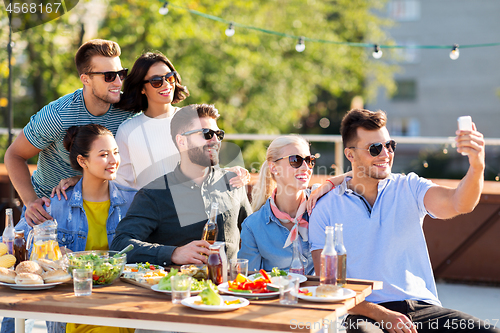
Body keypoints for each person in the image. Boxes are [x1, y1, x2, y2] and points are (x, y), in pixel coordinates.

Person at [309, 109, 498, 333]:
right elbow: (328, 286)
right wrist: (381, 314)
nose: (385, 154)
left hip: (423, 310)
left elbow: (459, 203)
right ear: (350, 155)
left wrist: (477, 167)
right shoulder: (326, 207)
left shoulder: (410, 187)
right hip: (365, 313)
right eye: (375, 148)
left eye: (390, 145)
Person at [12, 124, 137, 333]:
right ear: (82, 161)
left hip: (119, 304)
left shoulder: (132, 200)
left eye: (115, 152)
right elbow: (13, 244)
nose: (114, 160)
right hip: (74, 308)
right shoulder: (56, 204)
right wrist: (54, 255)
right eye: (104, 154)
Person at [4, 39, 134, 227]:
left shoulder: (128, 112)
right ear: (86, 79)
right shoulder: (59, 115)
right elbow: (14, 155)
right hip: (49, 209)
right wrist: (30, 202)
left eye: (121, 74)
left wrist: (81, 180)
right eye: (109, 76)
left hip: (102, 208)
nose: (118, 82)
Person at [110, 104, 252, 265]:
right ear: (182, 141)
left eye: (218, 134)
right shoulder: (154, 194)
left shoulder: (234, 182)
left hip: (230, 288)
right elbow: (120, 244)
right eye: (207, 134)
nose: (215, 140)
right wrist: (173, 253)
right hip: (177, 288)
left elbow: (255, 234)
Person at [113, 51, 249, 190]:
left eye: (169, 78)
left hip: (194, 206)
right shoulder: (127, 130)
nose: (166, 85)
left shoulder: (193, 120)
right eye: (156, 81)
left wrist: (232, 173)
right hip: (149, 210)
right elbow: (122, 184)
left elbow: (209, 170)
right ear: (142, 88)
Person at [238, 135, 344, 275]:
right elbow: (247, 281)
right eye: (296, 160)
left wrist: (331, 182)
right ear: (274, 167)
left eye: (309, 160)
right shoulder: (253, 226)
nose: (306, 168)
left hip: (320, 295)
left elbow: (366, 175)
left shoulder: (322, 204)